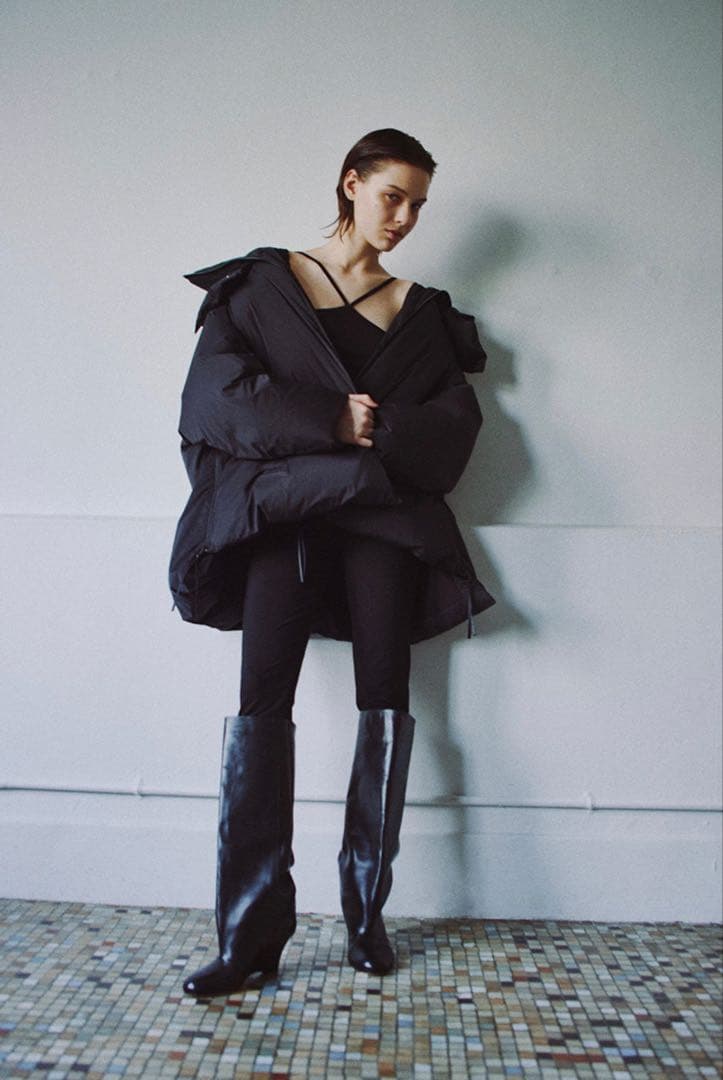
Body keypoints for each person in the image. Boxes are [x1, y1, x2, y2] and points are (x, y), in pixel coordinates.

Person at [169, 128, 496, 998]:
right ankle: (248, 936)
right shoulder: (263, 286)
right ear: (350, 184)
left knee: (384, 698)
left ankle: (364, 914)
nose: (405, 217)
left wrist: (374, 429)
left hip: (380, 530)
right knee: (260, 706)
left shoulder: (422, 312)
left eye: (418, 204)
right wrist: (331, 421)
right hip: (286, 527)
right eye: (392, 195)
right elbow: (213, 402)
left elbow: (452, 434)